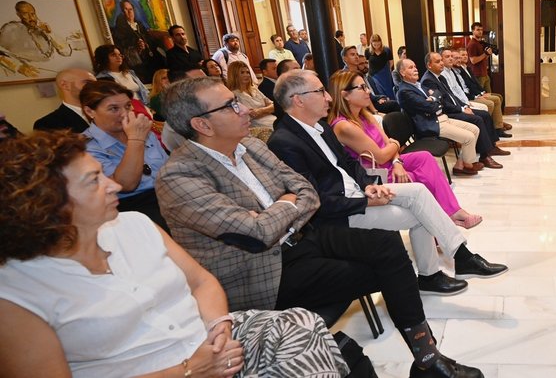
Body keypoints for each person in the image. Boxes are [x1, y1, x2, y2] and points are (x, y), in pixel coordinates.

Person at [156, 77, 485, 378]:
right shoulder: (179, 175)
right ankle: (412, 356)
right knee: (386, 268)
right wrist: (287, 204)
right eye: (231, 105)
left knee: (387, 247)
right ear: (201, 124)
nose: (246, 108)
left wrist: (280, 208)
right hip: (261, 272)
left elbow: (307, 193)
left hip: (302, 238)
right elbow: (255, 234)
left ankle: (427, 359)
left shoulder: (252, 148)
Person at [0, 131, 351, 377]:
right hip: (159, 371)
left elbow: (201, 282)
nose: (115, 185)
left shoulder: (135, 224)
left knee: (301, 324)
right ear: (47, 204)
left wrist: (218, 326)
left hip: (209, 343)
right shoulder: (15, 293)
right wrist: (187, 371)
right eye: (94, 181)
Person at [268, 70, 505, 295]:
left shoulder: (319, 127)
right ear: (298, 100)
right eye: (320, 91)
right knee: (423, 213)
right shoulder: (284, 141)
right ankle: (442, 269)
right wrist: (365, 200)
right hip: (340, 214)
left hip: (358, 193)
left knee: (420, 193)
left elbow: (350, 166)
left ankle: (454, 260)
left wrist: (370, 184)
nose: (328, 97)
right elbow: (313, 200)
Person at [327, 70, 482, 229]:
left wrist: (397, 162)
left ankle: (453, 212)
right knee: (419, 178)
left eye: (365, 86)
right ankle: (440, 226)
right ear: (345, 95)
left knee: (425, 157)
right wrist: (394, 145)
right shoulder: (344, 125)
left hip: (389, 163)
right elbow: (381, 155)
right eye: (361, 88)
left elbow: (389, 145)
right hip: (373, 174)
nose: (368, 91)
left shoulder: (365, 115)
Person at [81, 80, 169, 231]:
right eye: (113, 109)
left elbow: (168, 168)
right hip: (130, 208)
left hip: (167, 195)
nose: (125, 114)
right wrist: (136, 140)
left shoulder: (143, 132)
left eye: (128, 106)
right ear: (90, 111)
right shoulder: (86, 147)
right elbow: (126, 185)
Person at [395, 58, 482, 177]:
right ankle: (467, 165)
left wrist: (433, 99)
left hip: (442, 118)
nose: (415, 69)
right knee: (469, 137)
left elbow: (439, 94)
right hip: (431, 124)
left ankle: (461, 163)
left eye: (415, 66)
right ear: (402, 72)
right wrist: (434, 100)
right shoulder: (404, 91)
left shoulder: (418, 85)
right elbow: (430, 107)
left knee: (475, 129)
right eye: (410, 68)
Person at [422, 52, 508, 167]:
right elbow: (443, 103)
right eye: (438, 61)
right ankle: (484, 156)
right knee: (477, 119)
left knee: (484, 114)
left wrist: (464, 106)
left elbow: (452, 95)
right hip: (446, 113)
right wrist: (461, 109)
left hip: (455, 108)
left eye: (441, 60)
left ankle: (491, 147)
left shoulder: (440, 77)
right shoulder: (428, 80)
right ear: (429, 65)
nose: (441, 63)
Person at [440, 49, 509, 138]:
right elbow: (456, 92)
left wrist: (480, 93)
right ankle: (492, 129)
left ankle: (495, 127)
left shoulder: (461, 69)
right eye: (454, 57)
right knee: (490, 104)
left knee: (497, 98)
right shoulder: (448, 72)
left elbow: (469, 85)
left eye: (464, 55)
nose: (459, 59)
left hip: (465, 99)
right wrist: (466, 104)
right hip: (462, 101)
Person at [0, 0, 75, 77]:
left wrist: (50, 33)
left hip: (52, 71)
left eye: (33, 13)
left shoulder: (42, 29)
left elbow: (67, 52)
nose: (31, 17)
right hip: (27, 72)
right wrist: (18, 66)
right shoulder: (10, 29)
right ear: (18, 15)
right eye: (25, 14)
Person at [111, 0, 160, 83]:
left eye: (131, 9)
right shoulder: (120, 29)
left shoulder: (139, 25)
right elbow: (121, 46)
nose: (129, 12)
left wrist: (145, 43)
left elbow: (150, 40)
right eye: (125, 9)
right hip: (135, 62)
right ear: (122, 12)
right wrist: (136, 47)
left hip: (149, 58)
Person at [33, 68, 96, 133]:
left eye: (96, 83)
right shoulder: (47, 124)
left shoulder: (102, 111)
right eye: (87, 82)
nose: (95, 87)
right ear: (65, 85)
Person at [343, 45, 400, 113]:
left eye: (357, 54)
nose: (356, 57)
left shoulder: (360, 74)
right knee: (393, 105)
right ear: (345, 58)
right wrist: (375, 112)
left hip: (369, 102)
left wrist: (380, 98)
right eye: (352, 55)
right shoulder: (344, 76)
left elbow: (369, 93)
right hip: (359, 108)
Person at [226, 60, 276, 130]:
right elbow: (248, 116)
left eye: (248, 72)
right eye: (242, 72)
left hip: (273, 120)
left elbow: (274, 106)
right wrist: (267, 110)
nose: (246, 75)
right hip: (258, 128)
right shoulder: (232, 95)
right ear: (234, 75)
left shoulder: (254, 89)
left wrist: (261, 111)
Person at [466, 22, 495, 93]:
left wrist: (488, 54)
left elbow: (483, 59)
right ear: (473, 31)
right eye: (478, 30)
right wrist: (485, 54)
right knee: (481, 96)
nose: (480, 31)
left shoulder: (479, 43)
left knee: (489, 95)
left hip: (484, 74)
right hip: (477, 75)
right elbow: (473, 60)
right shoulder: (472, 44)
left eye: (481, 30)